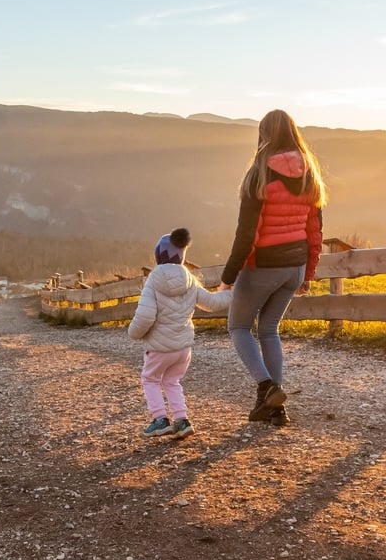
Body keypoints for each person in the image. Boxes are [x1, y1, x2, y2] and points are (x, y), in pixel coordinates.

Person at [218, 109, 326, 427]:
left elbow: (246, 236)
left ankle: (267, 388)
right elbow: (315, 232)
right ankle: (274, 409)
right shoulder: (310, 175)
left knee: (238, 327)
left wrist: (227, 279)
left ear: (264, 135)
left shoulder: (259, 174)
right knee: (268, 330)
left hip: (264, 265)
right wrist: (308, 273)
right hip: (295, 265)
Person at [128, 228, 232, 440]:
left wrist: (134, 333)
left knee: (150, 379)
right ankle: (182, 420)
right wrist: (233, 292)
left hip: (158, 347)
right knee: (172, 381)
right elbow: (212, 303)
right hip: (183, 348)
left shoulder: (153, 281)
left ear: (159, 255)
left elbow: (146, 316)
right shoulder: (190, 280)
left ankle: (159, 419)